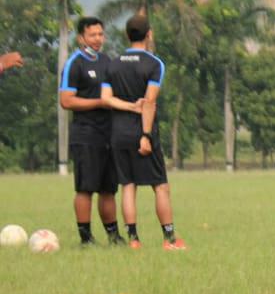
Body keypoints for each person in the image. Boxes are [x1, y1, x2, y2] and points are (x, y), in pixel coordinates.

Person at [101, 14, 186, 251]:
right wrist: (146, 135)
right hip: (142, 132)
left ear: (127, 35)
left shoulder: (113, 64)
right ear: (149, 34)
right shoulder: (154, 64)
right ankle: (170, 239)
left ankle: (133, 240)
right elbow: (149, 102)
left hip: (119, 133)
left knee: (128, 186)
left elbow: (106, 99)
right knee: (160, 186)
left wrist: (128, 106)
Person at [59, 17, 129, 246]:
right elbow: (66, 101)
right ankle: (86, 237)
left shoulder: (108, 61)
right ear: (81, 38)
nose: (98, 39)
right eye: (92, 35)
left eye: (100, 34)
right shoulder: (74, 63)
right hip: (86, 134)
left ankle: (114, 236)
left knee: (108, 189)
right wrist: (99, 102)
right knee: (86, 188)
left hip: (109, 134)